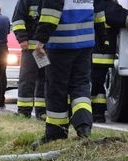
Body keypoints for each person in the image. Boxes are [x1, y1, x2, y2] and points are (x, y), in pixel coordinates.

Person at [32, 0, 106, 146]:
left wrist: (40, 41)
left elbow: (51, 13)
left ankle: (56, 133)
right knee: (81, 85)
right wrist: (103, 38)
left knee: (56, 89)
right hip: (85, 43)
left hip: (61, 44)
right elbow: (99, 13)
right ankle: (84, 127)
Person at [91, 0, 128, 123]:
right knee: (97, 87)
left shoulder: (96, 5)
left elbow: (123, 16)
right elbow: (123, 15)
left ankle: (95, 113)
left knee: (93, 86)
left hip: (94, 56)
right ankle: (97, 114)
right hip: (99, 55)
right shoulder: (105, 5)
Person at [12, 0, 46, 119]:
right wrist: (22, 38)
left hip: (44, 49)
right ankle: (23, 111)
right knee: (27, 79)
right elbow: (17, 20)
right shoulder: (25, 1)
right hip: (30, 48)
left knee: (44, 79)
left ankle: (41, 112)